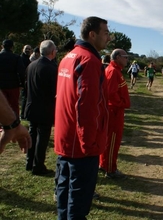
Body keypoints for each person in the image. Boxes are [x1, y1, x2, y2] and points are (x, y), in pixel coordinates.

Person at [54, 16, 111, 219]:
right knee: (78, 199)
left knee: (64, 191)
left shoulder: (68, 57)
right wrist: (89, 143)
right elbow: (86, 106)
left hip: (66, 137)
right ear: (92, 34)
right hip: (81, 144)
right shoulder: (90, 61)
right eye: (105, 33)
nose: (109, 37)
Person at [24, 40, 58, 175]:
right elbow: (54, 90)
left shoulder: (31, 65)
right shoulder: (51, 68)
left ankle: (29, 161)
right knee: (42, 138)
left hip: (31, 105)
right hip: (45, 108)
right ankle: (38, 166)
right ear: (52, 51)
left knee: (32, 134)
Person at [99, 49, 131, 179]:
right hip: (114, 112)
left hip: (116, 111)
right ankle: (110, 169)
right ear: (117, 57)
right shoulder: (113, 72)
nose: (127, 59)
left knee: (110, 140)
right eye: (125, 57)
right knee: (112, 140)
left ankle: (104, 164)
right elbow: (111, 94)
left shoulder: (116, 71)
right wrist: (122, 103)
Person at [0, 39, 25, 119]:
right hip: (13, 85)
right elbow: (21, 72)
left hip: (1, 86)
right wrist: (22, 84)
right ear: (12, 47)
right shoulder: (16, 57)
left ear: (2, 46)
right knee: (14, 105)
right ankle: (15, 122)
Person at [20, 45, 32, 118]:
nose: (27, 50)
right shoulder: (21, 59)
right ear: (23, 49)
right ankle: (22, 115)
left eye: (29, 49)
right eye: (26, 49)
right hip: (24, 81)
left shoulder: (28, 59)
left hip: (27, 81)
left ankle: (24, 114)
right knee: (24, 98)